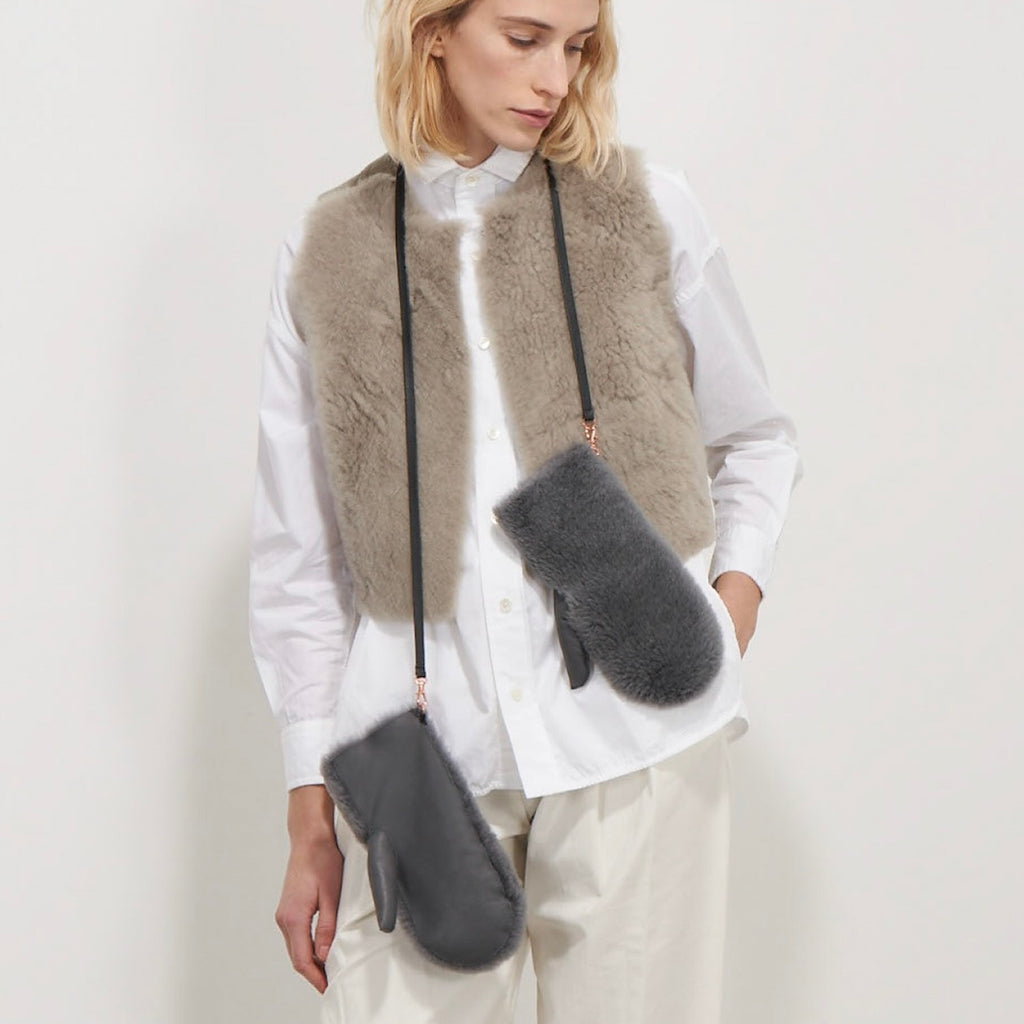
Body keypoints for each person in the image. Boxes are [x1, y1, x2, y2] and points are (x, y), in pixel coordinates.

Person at [249, 1, 801, 1021]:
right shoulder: (325, 250)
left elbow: (755, 436)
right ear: (433, 30)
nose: (556, 77)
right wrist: (309, 821)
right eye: (524, 37)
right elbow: (301, 560)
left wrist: (731, 608)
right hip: (423, 758)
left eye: (577, 46)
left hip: (636, 745)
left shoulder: (647, 206)